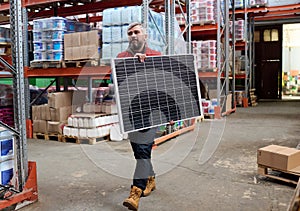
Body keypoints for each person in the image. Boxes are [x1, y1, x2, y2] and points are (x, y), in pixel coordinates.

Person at [116, 22, 162, 211]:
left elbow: (165, 83)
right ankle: (150, 178)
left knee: (142, 150)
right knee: (139, 151)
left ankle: (136, 191)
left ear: (145, 36)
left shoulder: (156, 57)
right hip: (131, 112)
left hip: (151, 112)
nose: (133, 35)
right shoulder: (121, 58)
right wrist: (132, 65)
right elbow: (117, 82)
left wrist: (145, 64)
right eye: (130, 33)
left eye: (137, 32)